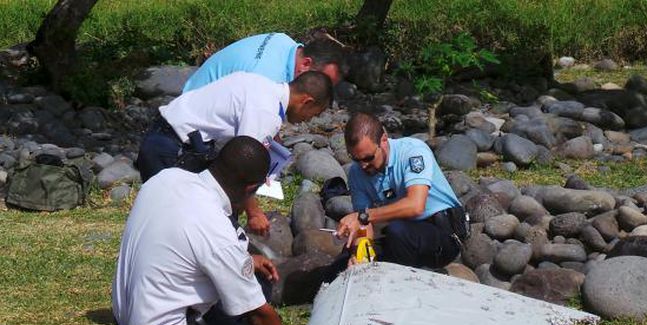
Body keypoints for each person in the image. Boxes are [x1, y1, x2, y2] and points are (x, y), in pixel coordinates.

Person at [114, 136, 326, 325]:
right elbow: (259, 315)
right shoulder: (213, 226)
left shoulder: (168, 178)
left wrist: (247, 260)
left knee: (259, 285)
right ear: (251, 189)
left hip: (131, 316)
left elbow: (183, 245)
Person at [136, 70, 333, 236]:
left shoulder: (259, 83)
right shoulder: (266, 112)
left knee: (168, 219)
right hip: (174, 149)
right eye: (313, 114)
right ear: (307, 101)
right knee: (176, 226)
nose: (307, 121)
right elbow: (244, 166)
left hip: (163, 135)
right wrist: (254, 213)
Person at [335, 112, 468, 270]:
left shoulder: (412, 152)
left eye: (368, 158)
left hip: (443, 235)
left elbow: (415, 206)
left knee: (397, 231)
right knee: (343, 262)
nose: (363, 165)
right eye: (356, 159)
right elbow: (363, 226)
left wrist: (363, 216)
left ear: (384, 140)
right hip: (404, 234)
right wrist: (359, 255)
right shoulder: (357, 173)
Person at [183, 33, 345, 92]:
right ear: (305, 64)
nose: (324, 93)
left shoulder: (284, 40)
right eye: (324, 83)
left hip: (196, 88)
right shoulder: (268, 80)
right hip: (193, 122)